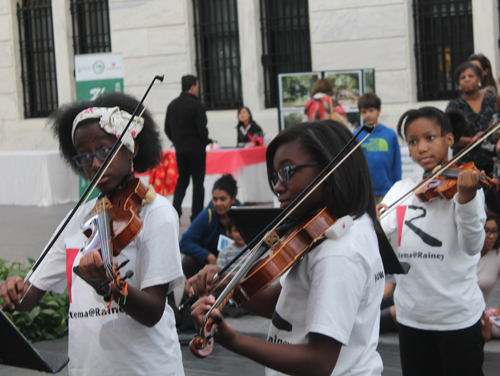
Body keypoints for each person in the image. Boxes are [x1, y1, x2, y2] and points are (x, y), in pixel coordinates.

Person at [0, 93, 185, 376]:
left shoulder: (155, 213)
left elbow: (152, 311)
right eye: (84, 155)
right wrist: (15, 291)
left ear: (130, 148)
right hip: (87, 368)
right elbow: (29, 298)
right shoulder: (78, 218)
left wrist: (107, 285)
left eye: (105, 150)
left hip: (145, 368)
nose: (95, 164)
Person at [188, 120, 386, 375]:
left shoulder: (338, 252)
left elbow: (319, 361)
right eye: (274, 176)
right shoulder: (329, 230)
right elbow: (283, 303)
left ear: (330, 168)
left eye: (287, 171)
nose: (278, 186)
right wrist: (224, 282)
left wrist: (233, 339)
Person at [379, 107, 486, 375]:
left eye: (429, 138)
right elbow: (381, 235)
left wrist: (467, 200)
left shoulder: (465, 189)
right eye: (413, 142)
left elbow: (473, 246)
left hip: (457, 318)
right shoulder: (402, 189)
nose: (421, 148)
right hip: (412, 316)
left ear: (449, 140)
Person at [164, 74, 210, 222]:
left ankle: (175, 211)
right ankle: (196, 215)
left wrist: (177, 141)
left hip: (180, 149)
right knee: (198, 182)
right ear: (192, 87)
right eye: (197, 86)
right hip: (196, 149)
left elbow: (167, 128)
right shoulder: (196, 105)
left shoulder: (172, 105)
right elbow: (202, 130)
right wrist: (205, 141)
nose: (198, 89)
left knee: (182, 180)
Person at [179, 174, 242, 280]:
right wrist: (208, 256)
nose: (218, 203)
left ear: (233, 199)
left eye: (223, 199)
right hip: (210, 266)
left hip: (235, 266)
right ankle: (197, 292)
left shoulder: (242, 216)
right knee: (188, 262)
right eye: (215, 199)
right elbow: (184, 241)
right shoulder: (207, 215)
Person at [446, 62, 496, 175]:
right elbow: (448, 138)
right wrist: (472, 140)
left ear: (479, 79)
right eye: (463, 77)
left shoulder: (493, 101)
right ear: (459, 82)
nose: (467, 79)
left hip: (492, 163)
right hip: (465, 165)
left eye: (470, 76)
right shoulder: (454, 106)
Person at [357, 93, 402, 204]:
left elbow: (396, 164)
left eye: (371, 111)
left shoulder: (390, 134)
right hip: (365, 192)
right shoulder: (356, 135)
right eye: (364, 112)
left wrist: (397, 188)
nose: (367, 115)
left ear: (379, 110)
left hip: (387, 191)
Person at [478, 210, 500, 340]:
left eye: (495, 231)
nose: (491, 236)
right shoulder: (465, 252)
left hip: (482, 313)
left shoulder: (497, 254)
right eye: (487, 231)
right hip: (461, 310)